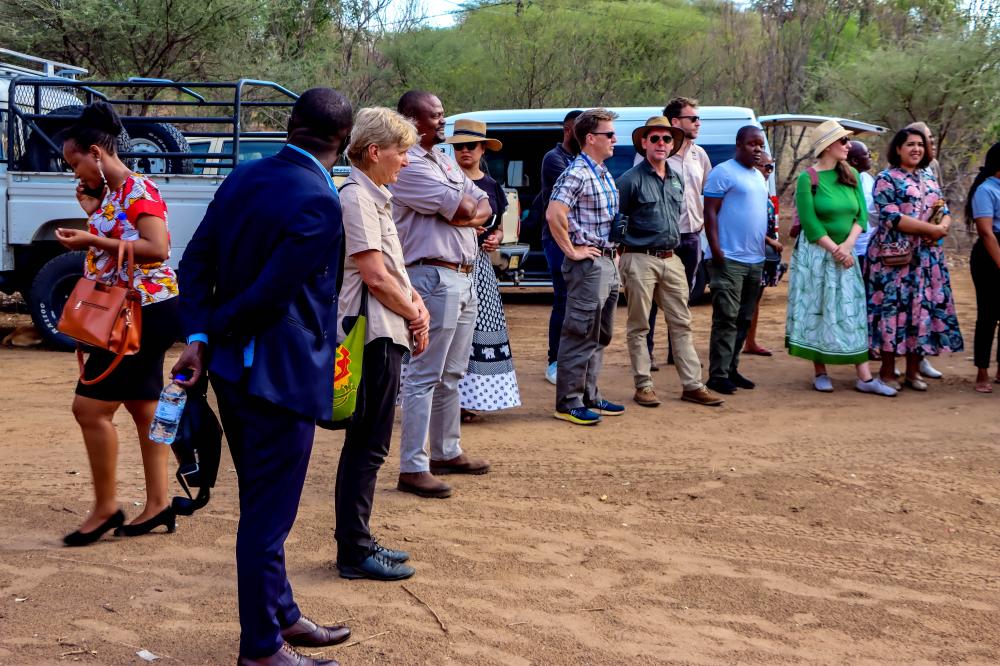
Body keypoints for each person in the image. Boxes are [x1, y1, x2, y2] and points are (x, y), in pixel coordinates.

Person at [173, 88, 354, 666]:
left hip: (233, 370)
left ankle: (282, 615)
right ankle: (260, 649)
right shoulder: (321, 199)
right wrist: (215, 332)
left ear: (290, 125)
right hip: (278, 376)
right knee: (267, 519)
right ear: (344, 139)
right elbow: (270, 297)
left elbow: (194, 262)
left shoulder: (243, 176)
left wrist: (201, 337)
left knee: (261, 502)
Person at [55, 101, 180, 547]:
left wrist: (92, 237)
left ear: (95, 152)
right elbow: (120, 240)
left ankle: (106, 507)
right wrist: (93, 211)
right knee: (143, 405)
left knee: (89, 409)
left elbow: (157, 248)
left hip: (139, 312)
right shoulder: (113, 194)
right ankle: (158, 503)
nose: (75, 172)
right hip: (140, 309)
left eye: (75, 163)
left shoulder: (137, 188)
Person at [334, 108, 429, 581]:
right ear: (374, 151)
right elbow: (373, 275)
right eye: (402, 151)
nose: (406, 161)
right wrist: (415, 312)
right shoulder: (356, 197)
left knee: (370, 444)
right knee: (367, 444)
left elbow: (388, 271)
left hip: (385, 331)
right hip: (371, 336)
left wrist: (414, 305)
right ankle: (353, 551)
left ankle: (359, 540)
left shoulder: (373, 196)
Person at [392, 90, 492, 499]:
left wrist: (466, 213)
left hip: (462, 274)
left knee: (451, 373)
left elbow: (483, 203)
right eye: (435, 115)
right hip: (432, 275)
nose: (442, 120)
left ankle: (446, 451)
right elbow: (465, 209)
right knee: (424, 375)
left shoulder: (444, 159)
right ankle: (413, 466)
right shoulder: (409, 164)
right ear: (411, 120)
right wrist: (465, 214)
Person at [615, 116, 723, 409]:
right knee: (639, 325)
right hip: (639, 258)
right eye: (655, 138)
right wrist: (620, 255)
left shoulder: (676, 178)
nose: (661, 143)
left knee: (682, 322)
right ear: (644, 143)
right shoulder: (630, 180)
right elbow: (617, 221)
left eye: (667, 139)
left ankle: (693, 385)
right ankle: (644, 385)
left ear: (673, 144)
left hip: (670, 257)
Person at [784, 121, 897, 396]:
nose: (848, 145)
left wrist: (846, 247)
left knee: (852, 310)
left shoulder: (852, 175)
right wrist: (835, 249)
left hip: (846, 253)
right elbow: (810, 223)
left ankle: (864, 377)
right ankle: (820, 370)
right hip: (816, 256)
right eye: (843, 140)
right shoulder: (808, 178)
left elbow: (861, 216)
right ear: (827, 146)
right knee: (818, 308)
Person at [867, 127, 963, 392]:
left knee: (920, 311)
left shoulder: (929, 177)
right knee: (892, 311)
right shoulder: (886, 178)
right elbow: (891, 217)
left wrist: (942, 227)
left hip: (926, 259)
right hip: (894, 259)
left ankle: (913, 371)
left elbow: (943, 208)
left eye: (920, 145)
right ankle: (887, 371)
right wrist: (931, 230)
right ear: (898, 149)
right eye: (910, 144)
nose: (916, 149)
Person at [546, 108, 626, 425]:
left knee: (600, 333)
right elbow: (554, 213)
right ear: (591, 138)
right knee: (579, 332)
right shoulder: (577, 172)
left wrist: (612, 253)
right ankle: (568, 403)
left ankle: (589, 395)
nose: (614, 139)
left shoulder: (601, 171)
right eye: (610, 134)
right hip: (589, 266)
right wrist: (571, 250)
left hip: (605, 261)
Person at [448, 119, 522, 420]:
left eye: (471, 146)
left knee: (482, 330)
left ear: (482, 149)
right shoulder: (446, 180)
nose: (464, 151)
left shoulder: (492, 186)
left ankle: (472, 399)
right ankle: (448, 402)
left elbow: (501, 227)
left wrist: (496, 239)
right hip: (451, 261)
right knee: (450, 331)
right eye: (459, 146)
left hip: (480, 265)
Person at [646, 97, 714, 368]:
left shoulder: (700, 155)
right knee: (651, 296)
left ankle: (677, 352)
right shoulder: (657, 152)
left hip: (691, 236)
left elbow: (707, 192)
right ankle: (646, 353)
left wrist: (703, 225)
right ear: (675, 122)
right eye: (693, 118)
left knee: (682, 297)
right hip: (660, 236)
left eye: (698, 118)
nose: (698, 123)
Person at [702, 126, 769, 395]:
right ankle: (717, 375)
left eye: (761, 145)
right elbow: (710, 212)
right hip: (728, 257)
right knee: (726, 318)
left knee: (744, 317)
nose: (758, 149)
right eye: (752, 144)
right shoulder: (723, 172)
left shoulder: (758, 176)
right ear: (739, 144)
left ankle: (732, 369)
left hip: (754, 259)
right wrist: (716, 250)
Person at [533, 109, 583, 385]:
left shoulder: (581, 160)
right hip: (556, 239)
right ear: (568, 130)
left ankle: (573, 358)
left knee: (580, 301)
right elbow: (578, 195)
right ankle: (555, 361)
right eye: (581, 130)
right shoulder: (554, 159)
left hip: (580, 240)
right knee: (563, 298)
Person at [905, 121, 946, 380]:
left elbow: (940, 203)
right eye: (922, 139)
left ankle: (921, 359)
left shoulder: (933, 167)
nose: (928, 143)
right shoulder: (895, 172)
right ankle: (898, 360)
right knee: (906, 306)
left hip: (931, 245)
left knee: (927, 304)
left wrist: (939, 230)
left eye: (929, 139)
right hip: (906, 247)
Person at [742, 152, 784, 356]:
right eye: (765, 167)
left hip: (763, 254)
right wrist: (770, 241)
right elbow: (747, 223)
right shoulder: (749, 190)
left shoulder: (763, 189)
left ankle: (750, 341)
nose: (769, 171)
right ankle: (740, 341)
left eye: (771, 167)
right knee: (746, 300)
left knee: (756, 298)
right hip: (750, 252)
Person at [967, 142, 1000, 393]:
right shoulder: (985, 190)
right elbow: (986, 232)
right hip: (990, 255)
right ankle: (982, 372)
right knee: (988, 314)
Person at [847, 140, 877, 276]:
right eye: (867, 154)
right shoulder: (842, 183)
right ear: (855, 161)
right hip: (850, 249)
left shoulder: (869, 179)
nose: (870, 156)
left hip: (870, 248)